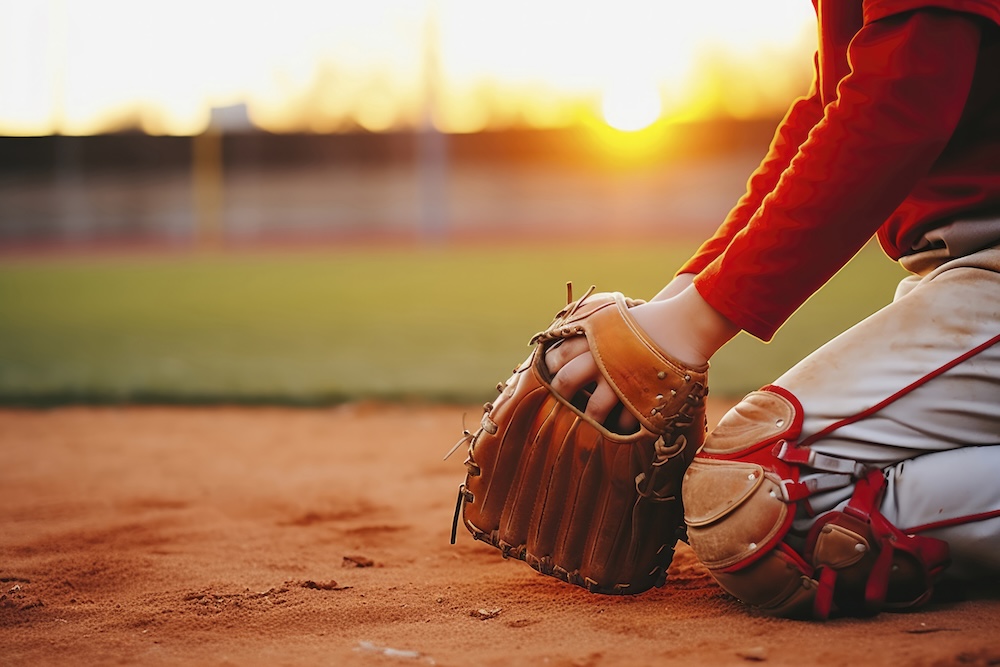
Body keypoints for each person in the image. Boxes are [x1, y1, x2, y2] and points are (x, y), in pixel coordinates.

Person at [544, 1, 1000, 617]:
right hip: (966, 272)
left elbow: (904, 91)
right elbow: (834, 100)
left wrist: (697, 322)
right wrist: (683, 296)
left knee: (765, 502)